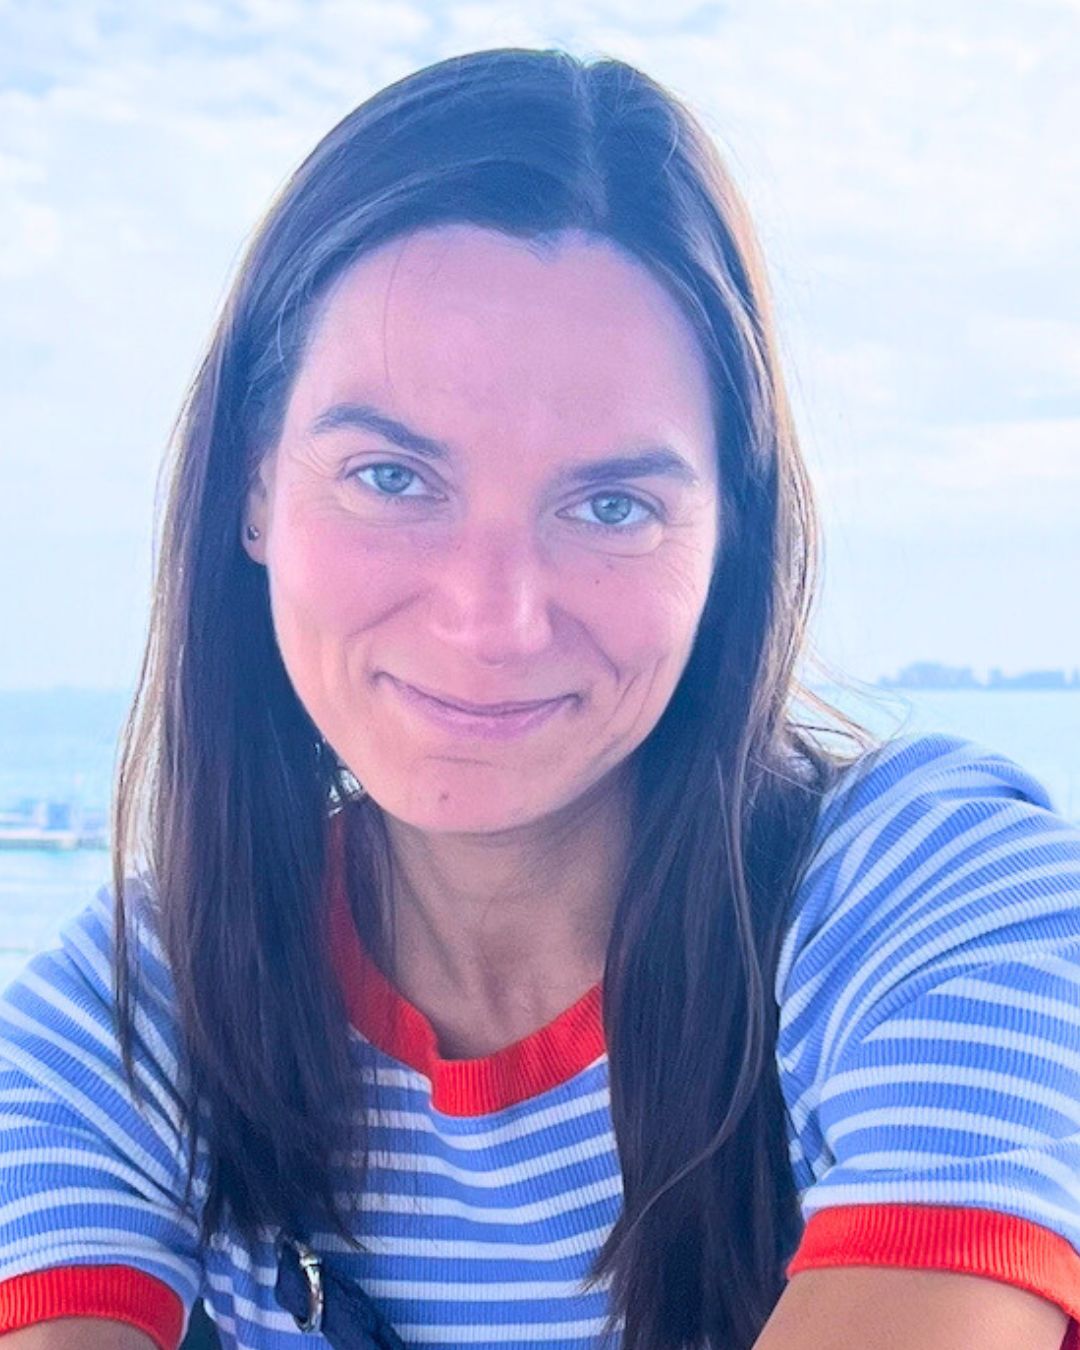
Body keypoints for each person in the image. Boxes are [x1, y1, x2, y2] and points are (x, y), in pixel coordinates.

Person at [0, 45, 1078, 1350]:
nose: (491, 616)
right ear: (251, 483)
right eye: (393, 477)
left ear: (732, 538)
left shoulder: (943, 902)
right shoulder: (123, 1024)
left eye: (610, 504)